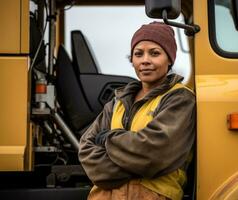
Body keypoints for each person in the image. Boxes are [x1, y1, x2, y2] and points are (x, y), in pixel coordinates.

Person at [78, 21, 195, 200]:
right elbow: (86, 150)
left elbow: (153, 154)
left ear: (170, 59)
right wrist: (135, 163)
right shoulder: (117, 102)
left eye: (155, 53)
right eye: (138, 54)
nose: (145, 60)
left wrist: (107, 138)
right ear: (132, 60)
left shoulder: (180, 98)